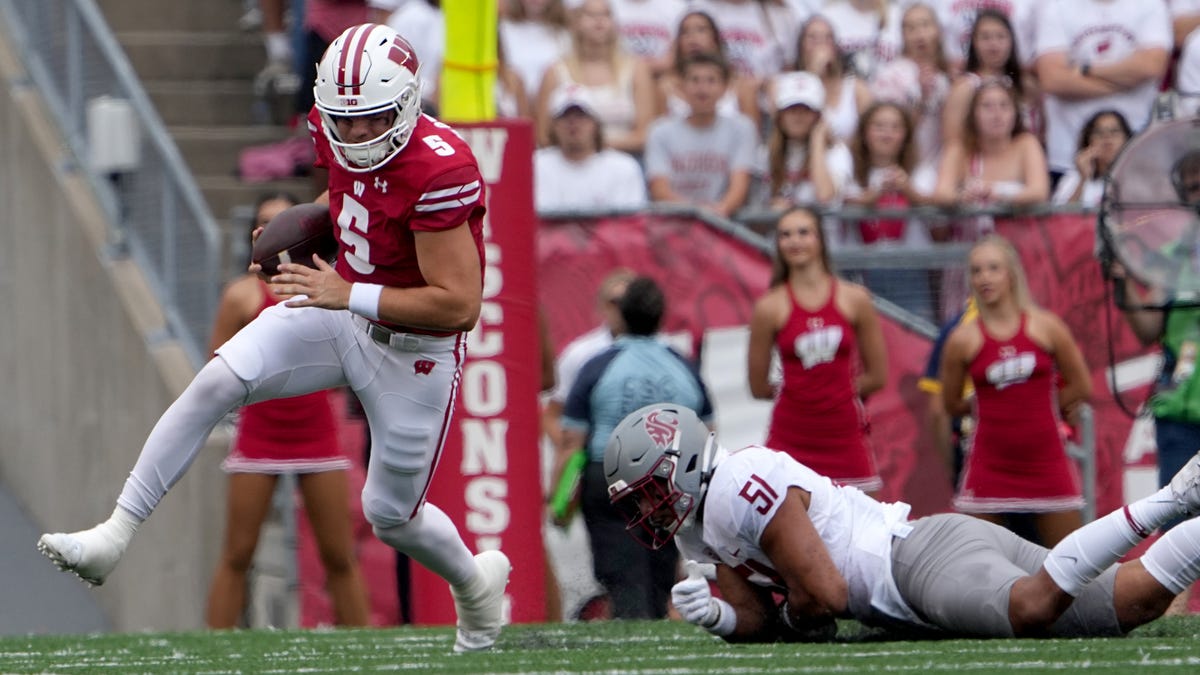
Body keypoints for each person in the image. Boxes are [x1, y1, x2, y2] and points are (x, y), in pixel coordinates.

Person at [37, 24, 510, 653]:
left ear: (404, 104)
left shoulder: (440, 168)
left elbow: (459, 305)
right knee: (216, 381)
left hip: (412, 348)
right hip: (339, 301)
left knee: (390, 515)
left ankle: (474, 588)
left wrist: (350, 292)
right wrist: (313, 228)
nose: (355, 135)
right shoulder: (334, 125)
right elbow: (348, 188)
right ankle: (113, 534)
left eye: (371, 121)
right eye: (345, 122)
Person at [603, 402, 1200, 642]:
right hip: (925, 556)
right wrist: (725, 620)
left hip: (914, 566)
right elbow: (767, 621)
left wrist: (787, 615)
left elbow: (825, 600)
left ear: (682, 464)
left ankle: (1170, 500)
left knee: (1034, 607)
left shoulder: (737, 483)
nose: (647, 509)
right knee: (1130, 603)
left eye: (650, 490)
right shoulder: (705, 519)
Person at [205, 193, 371, 629]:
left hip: (317, 428)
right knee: (238, 553)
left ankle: (366, 648)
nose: (272, 230)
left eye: (282, 222)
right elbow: (215, 367)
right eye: (263, 222)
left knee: (339, 554)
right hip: (261, 430)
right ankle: (209, 650)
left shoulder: (325, 284)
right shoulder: (242, 295)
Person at [555, 276, 715, 620]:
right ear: (660, 317)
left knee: (621, 574)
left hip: (610, 476)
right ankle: (653, 626)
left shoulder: (598, 366)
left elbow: (572, 442)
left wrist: (559, 498)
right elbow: (707, 433)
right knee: (660, 571)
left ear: (621, 317)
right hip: (667, 480)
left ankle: (632, 629)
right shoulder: (683, 365)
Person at [940, 235, 1092, 547]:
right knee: (973, 564)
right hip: (988, 464)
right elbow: (951, 403)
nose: (985, 278)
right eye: (977, 271)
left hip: (1046, 460)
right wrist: (988, 405)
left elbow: (1082, 385)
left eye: (994, 268)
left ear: (1011, 273)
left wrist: (1045, 407)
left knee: (1073, 564)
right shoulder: (962, 339)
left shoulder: (1046, 326)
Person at [746, 206, 888, 493]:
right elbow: (758, 386)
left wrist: (837, 392)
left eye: (803, 232)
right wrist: (802, 392)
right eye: (785, 235)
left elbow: (878, 376)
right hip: (790, 437)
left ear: (821, 239)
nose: (794, 241)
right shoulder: (769, 306)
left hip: (845, 434)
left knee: (865, 530)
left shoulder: (855, 298)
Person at [1034, 0, 1171, 186]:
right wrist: (1126, 82)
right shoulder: (1057, 6)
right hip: (1068, 157)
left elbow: (1152, 67)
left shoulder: (1150, 5)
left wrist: (1084, 69)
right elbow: (1052, 79)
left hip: (1135, 156)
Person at [644, 53, 758, 218]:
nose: (702, 89)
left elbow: (739, 185)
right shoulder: (660, 131)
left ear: (725, 87)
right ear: (681, 86)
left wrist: (719, 211)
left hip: (724, 222)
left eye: (711, 80)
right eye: (694, 80)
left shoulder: (741, 128)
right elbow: (660, 189)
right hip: (675, 221)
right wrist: (697, 213)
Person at [535, 0, 656, 155]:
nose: (599, 20)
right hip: (568, 160)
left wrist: (595, 146)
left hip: (624, 160)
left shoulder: (636, 69)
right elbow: (543, 135)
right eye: (591, 15)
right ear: (576, 22)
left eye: (606, 14)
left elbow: (644, 134)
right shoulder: (555, 72)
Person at [533, 84, 648, 211]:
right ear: (554, 126)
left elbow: (629, 224)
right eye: (564, 116)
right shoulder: (535, 165)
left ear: (595, 123)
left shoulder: (623, 167)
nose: (573, 123)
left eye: (581, 116)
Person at [761, 71, 854, 210]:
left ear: (818, 115)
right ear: (780, 115)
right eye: (791, 109)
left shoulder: (836, 151)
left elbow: (825, 195)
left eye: (806, 110)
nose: (798, 116)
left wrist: (818, 140)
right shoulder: (765, 152)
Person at [1051, 110, 1133, 207]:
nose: (1107, 139)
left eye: (1114, 132)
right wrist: (1083, 180)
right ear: (1088, 141)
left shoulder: (1140, 176)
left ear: (1127, 139)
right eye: (1099, 133)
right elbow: (1062, 218)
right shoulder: (1074, 178)